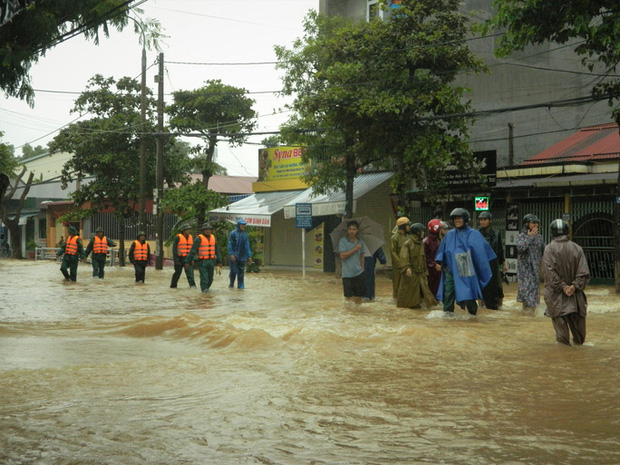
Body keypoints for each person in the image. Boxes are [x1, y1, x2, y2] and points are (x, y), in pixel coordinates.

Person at [435, 208, 496, 316]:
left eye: (459, 218)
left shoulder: (474, 234)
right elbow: (443, 250)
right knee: (448, 293)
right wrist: (439, 261)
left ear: (465, 219)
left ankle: (472, 315)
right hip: (451, 269)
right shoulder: (449, 235)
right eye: (455, 219)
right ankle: (447, 315)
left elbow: (482, 252)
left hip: (466, 269)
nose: (457, 221)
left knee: (468, 293)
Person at [542, 219, 590, 345]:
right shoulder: (577, 248)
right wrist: (574, 286)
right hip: (576, 299)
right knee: (579, 340)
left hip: (556, 299)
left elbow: (549, 274)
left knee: (562, 340)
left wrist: (563, 287)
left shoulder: (549, 249)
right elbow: (583, 273)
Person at [397, 223, 437, 309]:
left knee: (427, 296)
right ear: (417, 232)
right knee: (409, 297)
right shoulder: (407, 243)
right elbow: (404, 257)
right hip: (412, 274)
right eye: (422, 231)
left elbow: (423, 259)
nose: (423, 233)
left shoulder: (421, 243)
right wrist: (407, 267)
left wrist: (425, 271)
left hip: (421, 274)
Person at [517, 213, 545, 312]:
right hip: (525, 271)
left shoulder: (539, 238)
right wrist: (529, 238)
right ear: (526, 224)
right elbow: (520, 248)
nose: (535, 225)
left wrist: (543, 267)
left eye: (536, 223)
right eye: (533, 223)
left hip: (536, 270)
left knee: (534, 295)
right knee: (526, 294)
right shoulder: (521, 236)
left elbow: (543, 252)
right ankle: (526, 316)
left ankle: (532, 316)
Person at [477, 211, 506, 309]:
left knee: (498, 287)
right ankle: (481, 307)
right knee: (482, 286)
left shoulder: (496, 233)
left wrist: (503, 263)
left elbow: (500, 249)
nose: (482, 222)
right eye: (481, 220)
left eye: (484, 220)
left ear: (490, 221)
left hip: (494, 264)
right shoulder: (476, 233)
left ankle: (499, 307)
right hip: (481, 264)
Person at [187, 223, 223, 293]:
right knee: (204, 277)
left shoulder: (213, 238)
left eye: (209, 229)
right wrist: (188, 261)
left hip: (211, 261)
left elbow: (217, 250)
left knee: (210, 278)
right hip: (202, 262)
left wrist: (220, 261)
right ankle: (204, 291)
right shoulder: (198, 239)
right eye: (206, 230)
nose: (208, 231)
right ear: (203, 230)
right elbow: (193, 251)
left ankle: (206, 290)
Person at [338, 220, 366, 305]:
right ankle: (347, 315)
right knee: (348, 297)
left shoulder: (360, 241)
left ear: (357, 230)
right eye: (350, 229)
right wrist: (355, 249)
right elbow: (342, 255)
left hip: (358, 272)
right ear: (347, 230)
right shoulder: (343, 241)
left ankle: (357, 314)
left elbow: (362, 255)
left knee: (359, 296)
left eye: (354, 229)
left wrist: (362, 268)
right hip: (347, 273)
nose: (351, 231)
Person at [228, 219, 252, 289]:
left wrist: (249, 256)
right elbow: (230, 244)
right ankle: (231, 284)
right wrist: (231, 254)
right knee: (233, 271)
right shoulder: (233, 233)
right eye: (242, 225)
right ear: (238, 225)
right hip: (234, 256)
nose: (243, 226)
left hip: (242, 256)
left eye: (244, 225)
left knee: (241, 272)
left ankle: (241, 287)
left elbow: (247, 245)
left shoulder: (245, 235)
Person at [170, 224, 196, 289]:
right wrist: (176, 260)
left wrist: (193, 259)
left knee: (190, 274)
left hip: (188, 258)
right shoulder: (178, 237)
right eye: (187, 230)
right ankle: (173, 286)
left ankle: (192, 286)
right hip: (179, 258)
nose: (189, 231)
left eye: (189, 229)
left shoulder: (191, 237)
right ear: (183, 231)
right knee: (177, 273)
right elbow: (174, 249)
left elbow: (193, 249)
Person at [390, 217, 411, 299]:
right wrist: (400, 264)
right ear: (403, 226)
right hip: (398, 267)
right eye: (407, 225)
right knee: (397, 285)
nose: (409, 227)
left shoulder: (408, 237)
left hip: (407, 265)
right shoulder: (394, 238)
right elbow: (393, 252)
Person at [423, 219, 443, 297]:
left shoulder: (439, 240)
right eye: (441, 228)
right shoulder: (426, 242)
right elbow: (424, 257)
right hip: (430, 271)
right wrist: (434, 265)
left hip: (438, 269)